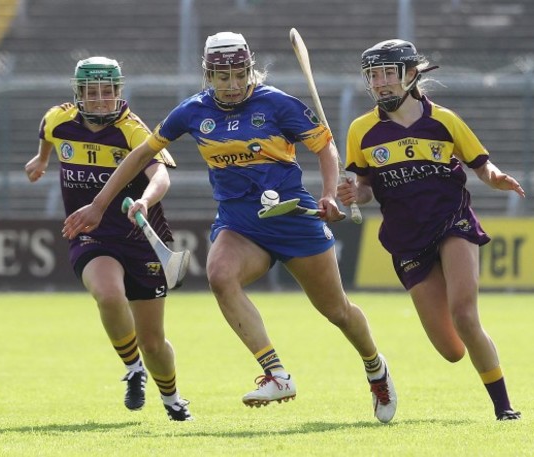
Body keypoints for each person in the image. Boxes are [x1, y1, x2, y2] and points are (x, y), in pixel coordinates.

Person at [62, 32, 397, 423]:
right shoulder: (191, 111)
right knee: (220, 276)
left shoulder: (276, 104)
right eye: (223, 78)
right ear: (208, 75)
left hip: (293, 219)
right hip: (239, 223)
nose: (233, 85)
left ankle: (376, 368)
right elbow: (142, 155)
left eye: (240, 75)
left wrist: (328, 195)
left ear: (250, 69)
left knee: (337, 311)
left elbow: (324, 148)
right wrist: (100, 205)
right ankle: (276, 373)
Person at [337, 39, 524, 421]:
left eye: (388, 73)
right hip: (406, 239)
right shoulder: (362, 131)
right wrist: (353, 193)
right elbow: (366, 190)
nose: (380, 83)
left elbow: (480, 165)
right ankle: (478, 365)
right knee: (452, 349)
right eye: (373, 75)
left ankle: (504, 408)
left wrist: (497, 178)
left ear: (409, 74)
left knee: (466, 316)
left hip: (452, 220)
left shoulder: (444, 120)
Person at [25, 56, 192, 421]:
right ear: (78, 93)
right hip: (92, 233)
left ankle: (173, 399)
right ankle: (133, 370)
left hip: (141, 238)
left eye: (108, 91)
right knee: (108, 293)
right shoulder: (59, 118)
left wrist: (146, 199)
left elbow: (161, 176)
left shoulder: (132, 129)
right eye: (92, 91)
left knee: (153, 342)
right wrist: (41, 160)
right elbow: (46, 134)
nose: (101, 99)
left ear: (119, 91)